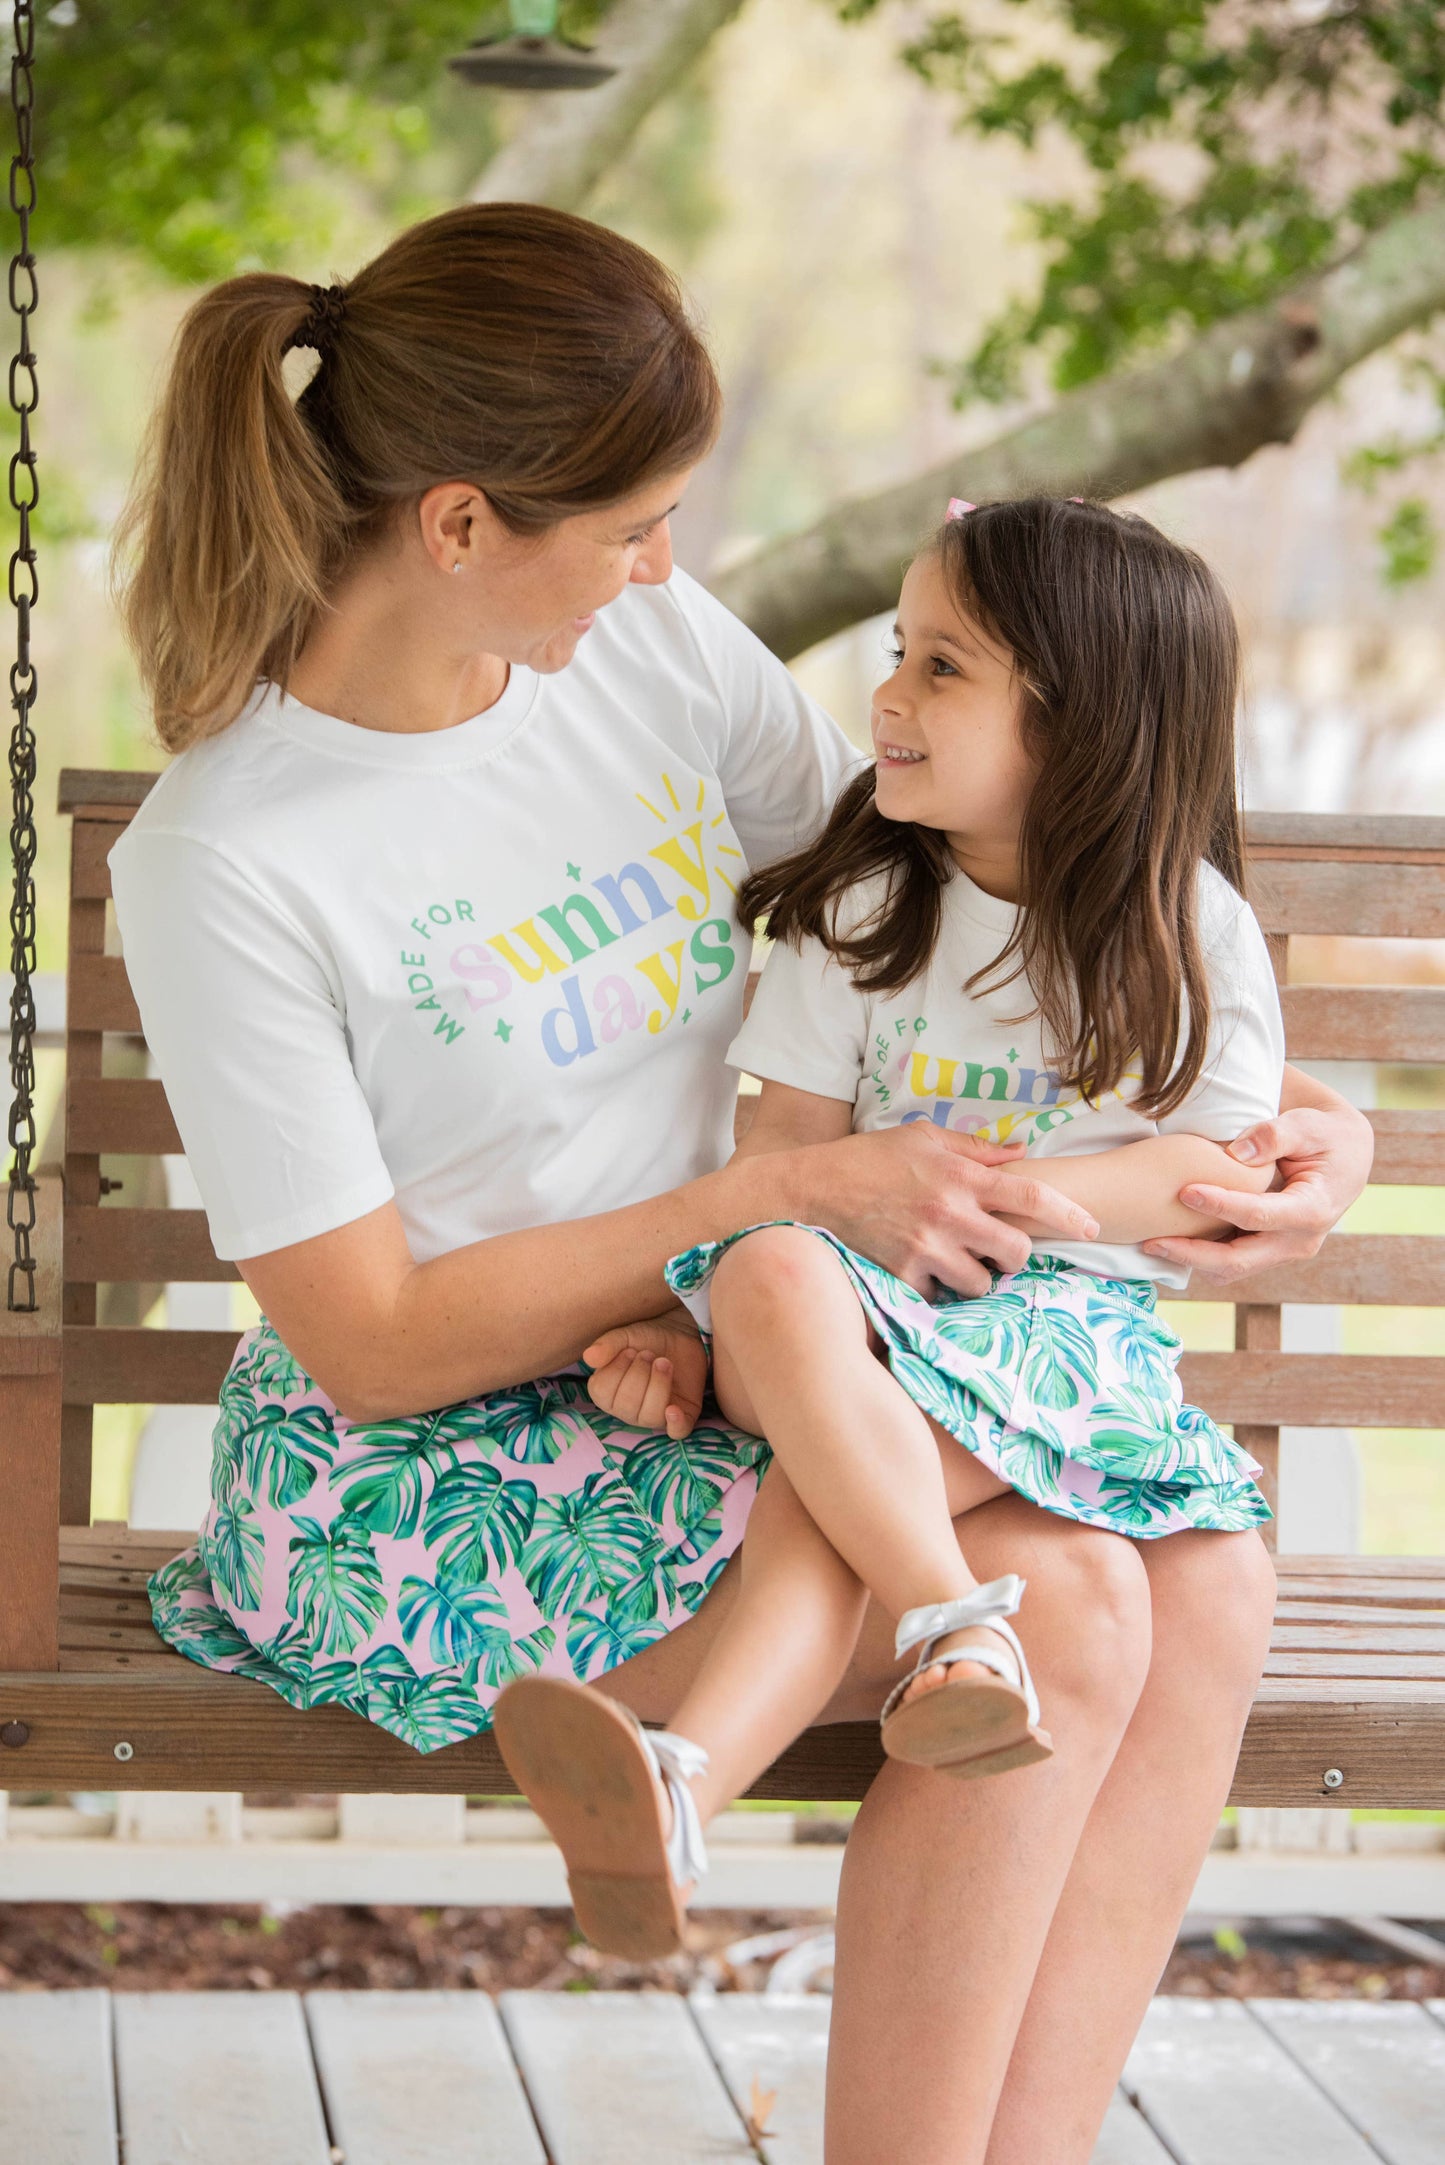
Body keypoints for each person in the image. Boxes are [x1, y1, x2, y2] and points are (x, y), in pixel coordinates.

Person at [107, 203, 1373, 2165]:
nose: (666, 567)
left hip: (742, 1363)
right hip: (437, 1459)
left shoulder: (641, 650)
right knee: (1079, 1609)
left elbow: (955, 895)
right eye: (626, 527)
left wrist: (1284, 1135)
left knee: (1208, 1579)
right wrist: (767, 1216)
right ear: (456, 527)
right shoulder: (232, 858)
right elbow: (366, 1344)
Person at [491, 496, 1286, 1969]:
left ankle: (684, 1781)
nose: (888, 696)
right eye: (898, 651)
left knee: (831, 1500)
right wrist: (698, 1318)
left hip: (1063, 1343)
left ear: (1082, 722)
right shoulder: (867, 906)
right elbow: (783, 1155)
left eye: (942, 666)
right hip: (846, 1326)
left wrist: (1033, 1204)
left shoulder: (1185, 927)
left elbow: (1209, 1166)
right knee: (775, 1257)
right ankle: (950, 1624)